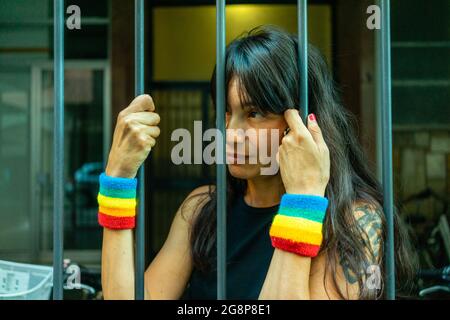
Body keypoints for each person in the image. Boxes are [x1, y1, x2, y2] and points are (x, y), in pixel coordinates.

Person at [100, 25, 416, 300]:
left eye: (254, 113)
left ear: (303, 121)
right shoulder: (203, 210)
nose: (232, 134)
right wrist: (118, 177)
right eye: (228, 112)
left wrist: (303, 199)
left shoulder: (354, 219)